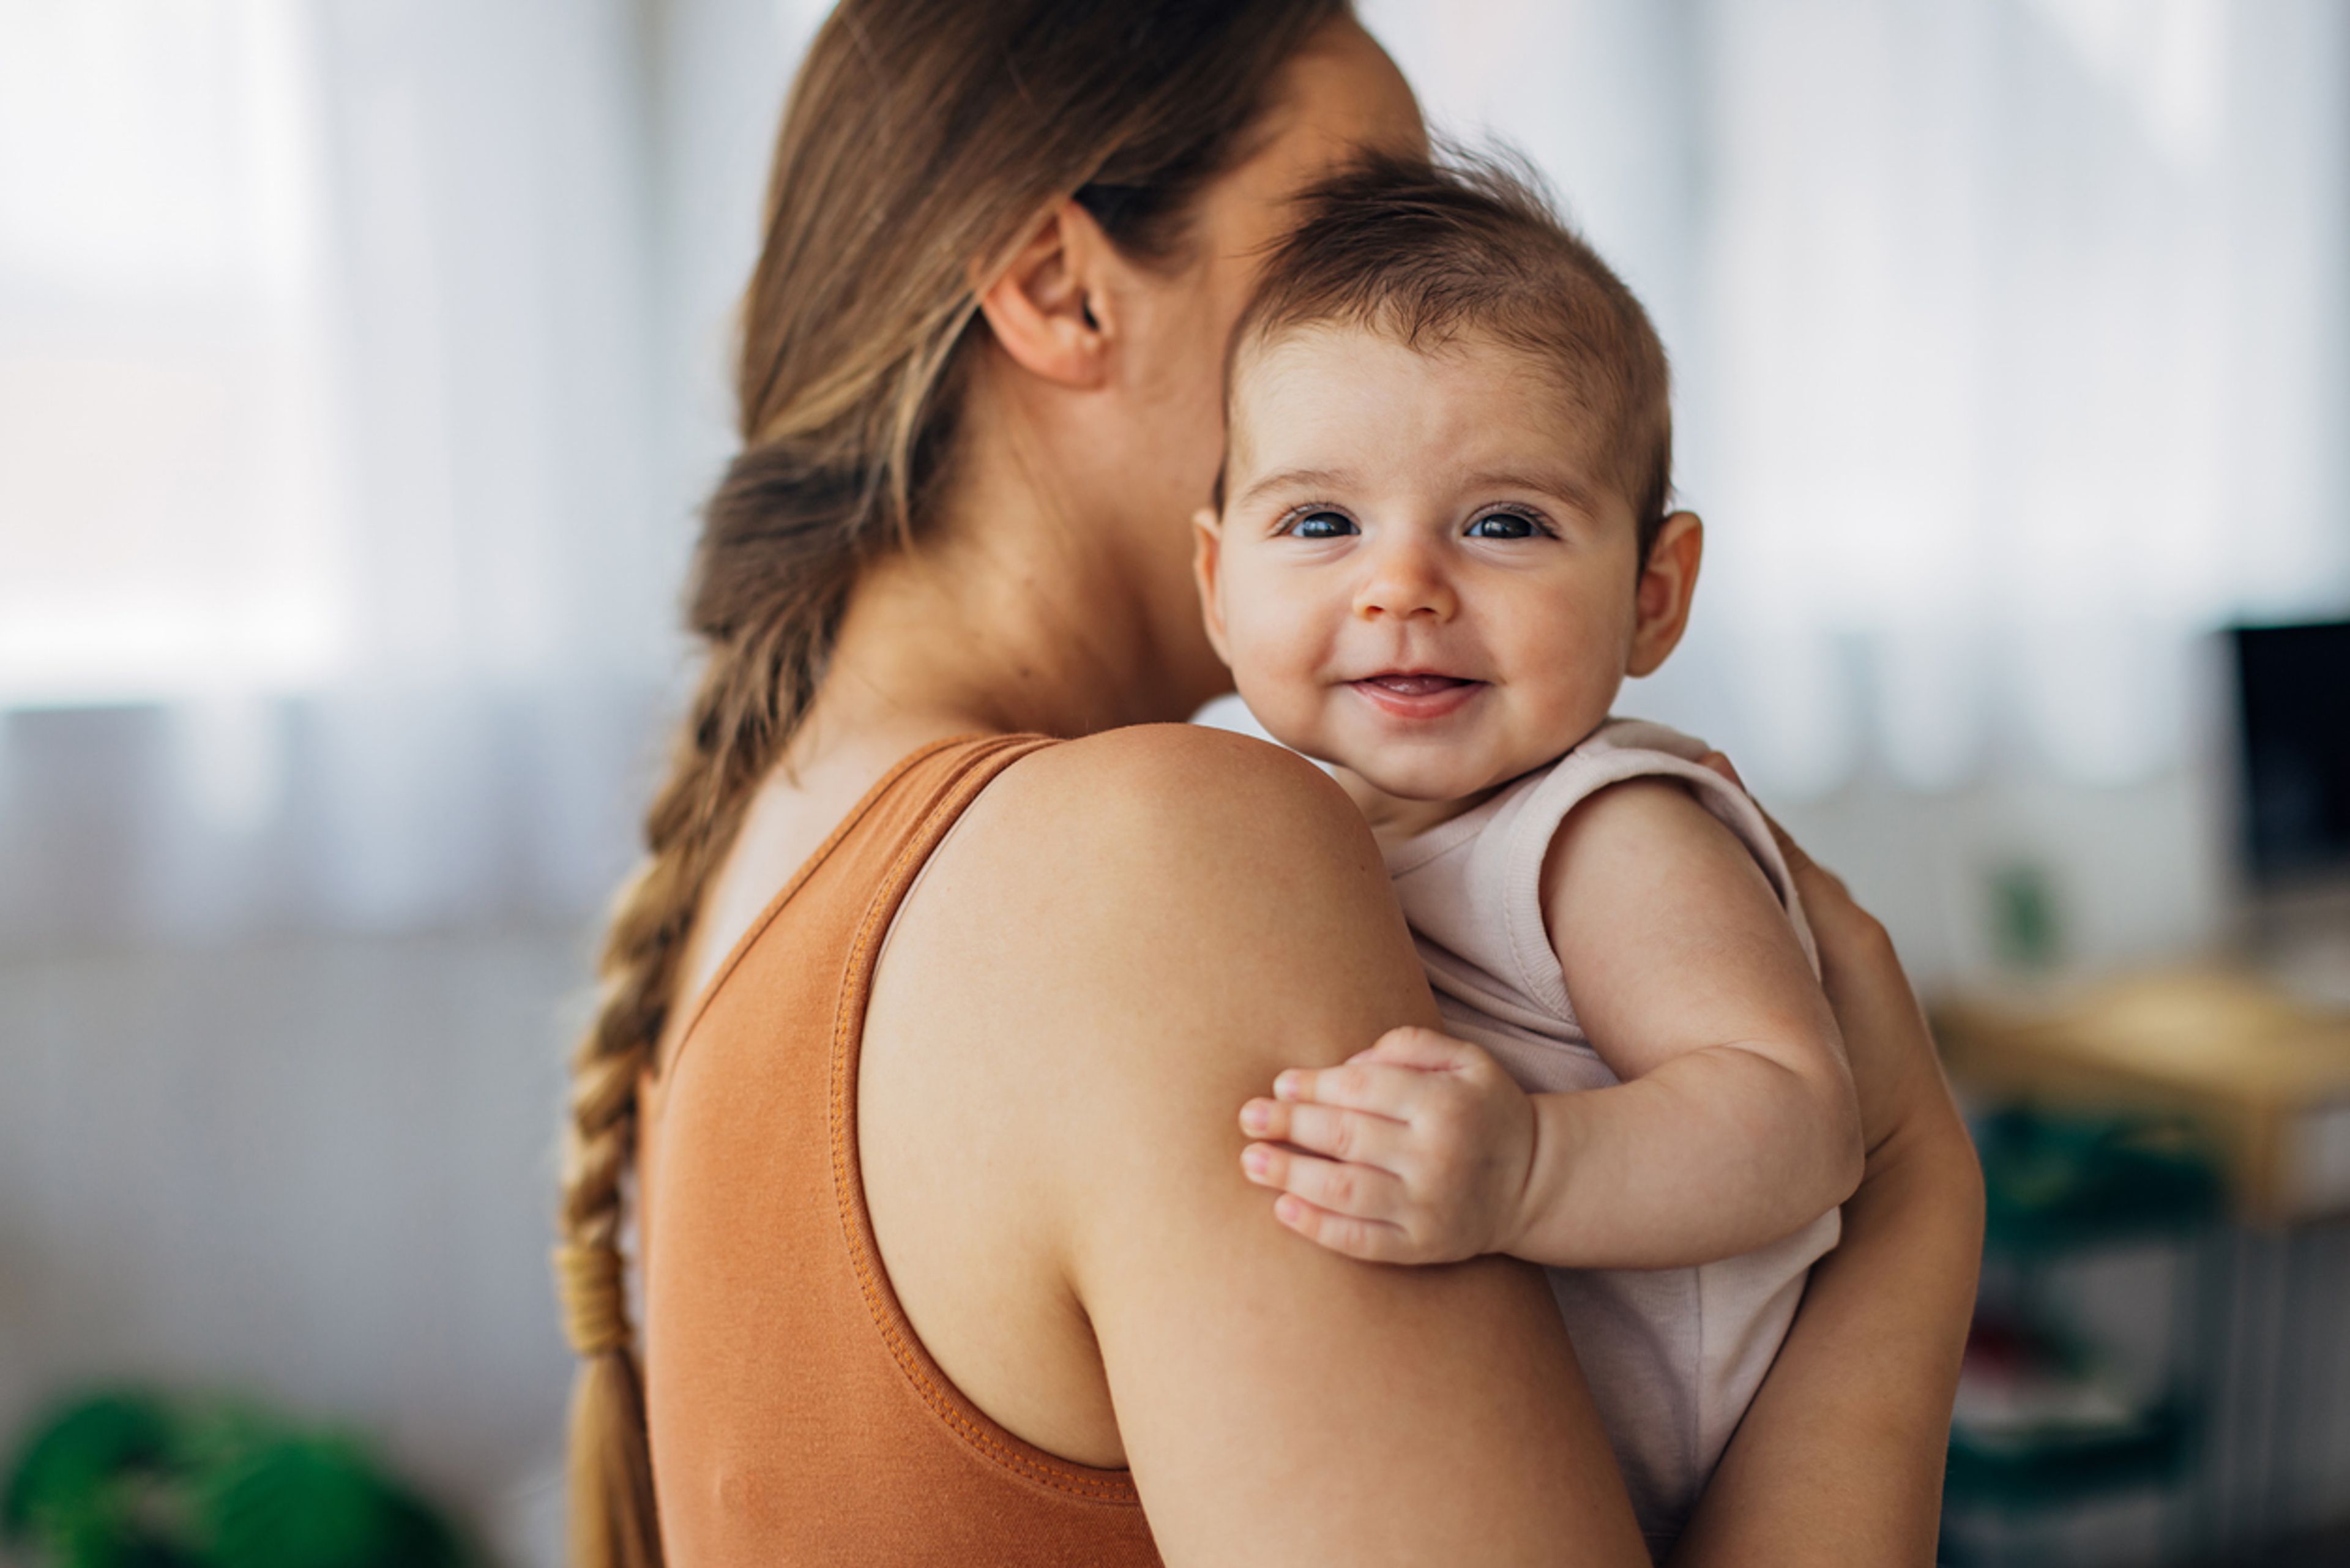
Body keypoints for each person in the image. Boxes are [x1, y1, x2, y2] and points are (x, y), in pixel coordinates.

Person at [549, 4, 1986, 1565]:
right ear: (1059, 290)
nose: (1440, 295)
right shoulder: (1160, 858)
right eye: (1352, 224)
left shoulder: (755, 879)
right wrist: (1910, 1218)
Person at [1192, 152, 1860, 1553]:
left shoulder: (1602, 830)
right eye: (1321, 522)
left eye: (1504, 524)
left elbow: (1794, 1121)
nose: (1403, 585)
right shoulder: (1268, 822)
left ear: (1651, 596)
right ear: (1217, 582)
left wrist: (1534, 1168)